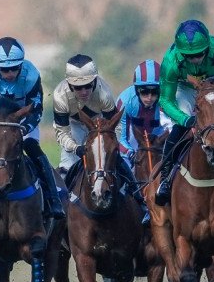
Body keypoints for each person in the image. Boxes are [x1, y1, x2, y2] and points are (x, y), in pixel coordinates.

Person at [0, 36, 65, 222]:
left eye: (14, 68)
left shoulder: (32, 75)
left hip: (22, 122)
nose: (9, 73)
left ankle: (53, 199)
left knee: (33, 148)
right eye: (4, 69)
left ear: (21, 65)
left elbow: (36, 110)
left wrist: (23, 129)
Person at [154, 19, 214, 205]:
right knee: (178, 130)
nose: (194, 59)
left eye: (198, 54)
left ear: (207, 47)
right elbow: (166, 99)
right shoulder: (170, 62)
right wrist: (185, 119)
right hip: (185, 87)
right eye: (189, 56)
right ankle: (165, 180)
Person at [53, 54, 149, 224]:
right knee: (67, 167)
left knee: (118, 162)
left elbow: (116, 126)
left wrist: (111, 145)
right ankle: (61, 215)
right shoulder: (60, 96)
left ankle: (140, 204)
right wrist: (76, 148)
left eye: (88, 86)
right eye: (77, 87)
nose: (83, 92)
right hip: (73, 126)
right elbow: (61, 132)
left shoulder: (104, 93)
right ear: (69, 84)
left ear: (95, 81)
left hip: (101, 126)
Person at [116, 59, 174, 161]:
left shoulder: (166, 99)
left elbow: (171, 130)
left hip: (157, 137)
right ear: (137, 90)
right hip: (131, 138)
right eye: (144, 92)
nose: (149, 97)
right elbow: (120, 139)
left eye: (155, 92)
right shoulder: (125, 102)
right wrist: (130, 154)